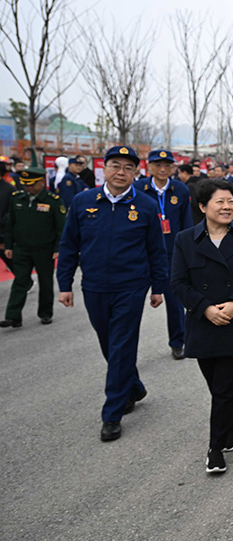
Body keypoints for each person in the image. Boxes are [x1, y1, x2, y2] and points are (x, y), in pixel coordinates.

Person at [57, 146, 168, 442]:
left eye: (128, 167)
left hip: (131, 286)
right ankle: (132, 386)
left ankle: (112, 414)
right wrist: (64, 284)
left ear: (136, 172)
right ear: (103, 169)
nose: (121, 172)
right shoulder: (83, 201)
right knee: (108, 343)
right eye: (115, 166)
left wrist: (158, 287)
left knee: (121, 345)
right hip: (94, 285)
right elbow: (69, 245)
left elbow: (157, 250)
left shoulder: (144, 205)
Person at [171, 178, 233, 474]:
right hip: (204, 325)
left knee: (224, 390)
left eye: (231, 202)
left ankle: (215, 448)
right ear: (202, 206)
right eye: (220, 202)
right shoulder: (186, 239)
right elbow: (179, 282)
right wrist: (205, 308)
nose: (227, 207)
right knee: (219, 387)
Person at [134, 150, 193, 359]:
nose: (162, 169)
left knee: (175, 301)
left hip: (171, 254)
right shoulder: (138, 189)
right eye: (157, 165)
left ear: (173, 168)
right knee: (131, 303)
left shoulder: (181, 190)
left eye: (167, 165)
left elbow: (187, 225)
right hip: (143, 253)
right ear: (148, 166)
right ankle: (127, 348)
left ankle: (178, 341)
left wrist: (188, 253)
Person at [1, 167, 65, 328]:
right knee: (20, 281)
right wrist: (8, 245)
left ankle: (45, 313)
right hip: (22, 248)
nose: (28, 188)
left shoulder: (53, 200)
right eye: (25, 184)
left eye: (31, 184)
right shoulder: (17, 198)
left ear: (41, 182)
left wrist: (58, 248)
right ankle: (13, 316)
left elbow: (61, 228)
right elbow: (10, 224)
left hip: (45, 249)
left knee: (45, 282)